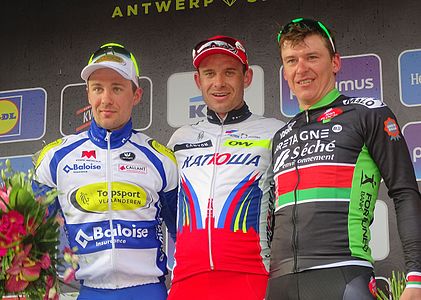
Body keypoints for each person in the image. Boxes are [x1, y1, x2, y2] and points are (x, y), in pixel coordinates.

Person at [268, 18, 421, 300]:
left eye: (312, 57)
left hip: (342, 276)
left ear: (335, 62)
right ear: (285, 72)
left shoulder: (368, 114)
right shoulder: (281, 135)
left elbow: (405, 192)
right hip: (281, 283)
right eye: (291, 60)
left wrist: (416, 275)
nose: (301, 68)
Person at [33, 43, 178, 300]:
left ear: (136, 95)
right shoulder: (55, 158)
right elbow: (30, 237)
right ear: (88, 94)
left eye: (117, 88)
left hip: (148, 291)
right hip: (90, 292)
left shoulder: (160, 159)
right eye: (98, 88)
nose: (106, 100)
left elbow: (186, 235)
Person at [167, 35, 285, 300]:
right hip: (188, 281)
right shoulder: (179, 140)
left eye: (229, 72)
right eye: (209, 73)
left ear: (247, 77)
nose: (218, 83)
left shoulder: (274, 131)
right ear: (198, 81)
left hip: (252, 278)